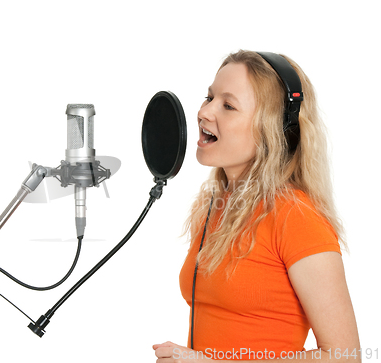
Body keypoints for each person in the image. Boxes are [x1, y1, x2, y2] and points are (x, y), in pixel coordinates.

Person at [152, 50, 360, 362]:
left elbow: (345, 356)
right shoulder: (215, 208)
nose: (204, 112)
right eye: (208, 97)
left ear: (273, 128)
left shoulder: (297, 217)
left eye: (228, 105)